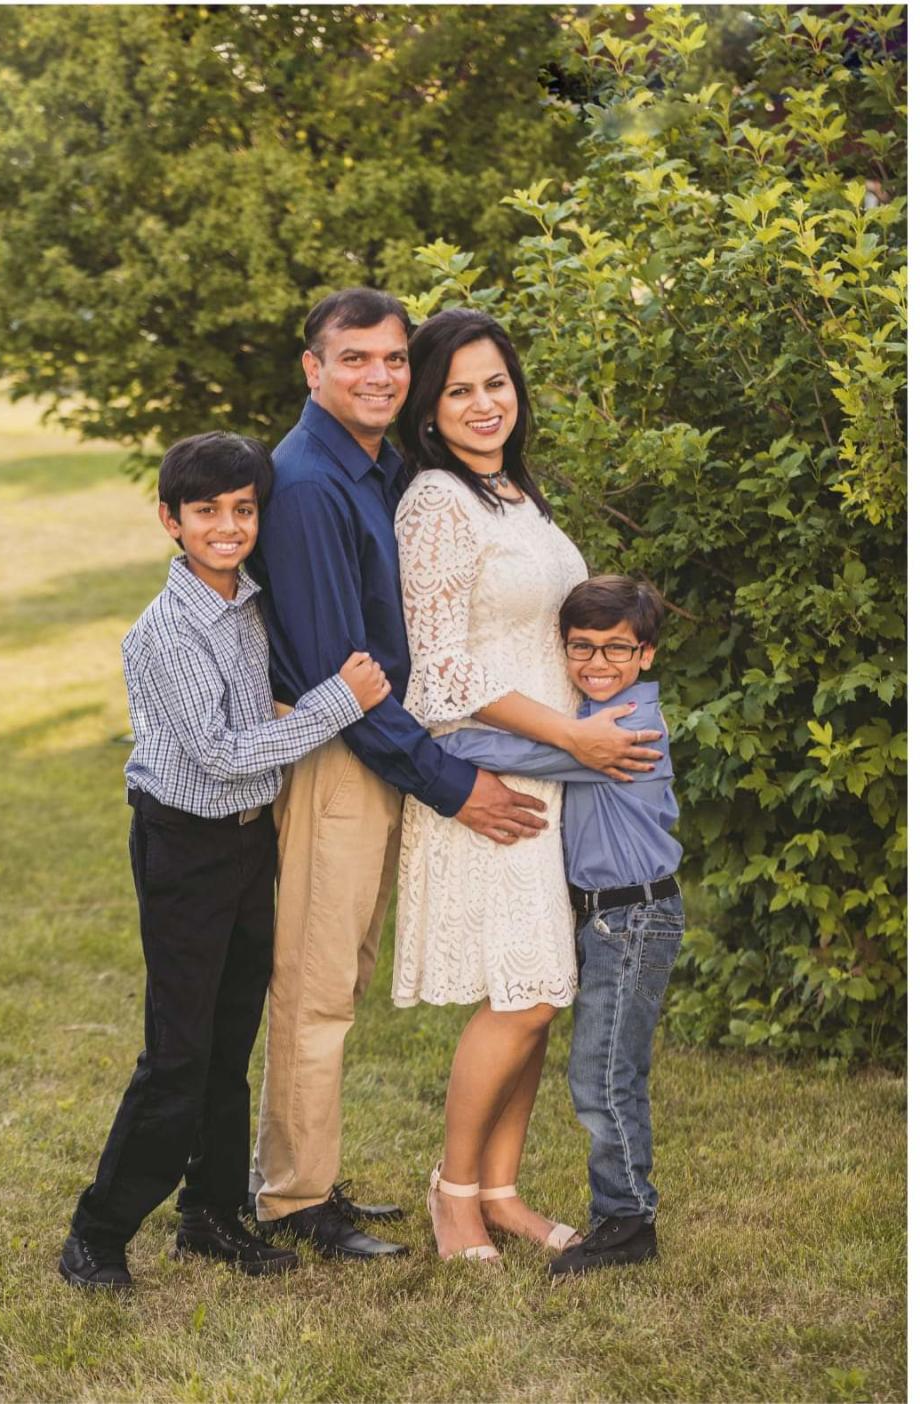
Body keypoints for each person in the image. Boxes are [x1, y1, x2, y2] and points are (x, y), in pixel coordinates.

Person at [246, 289, 659, 1261]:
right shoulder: (316, 481)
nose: (381, 376)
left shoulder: (390, 468)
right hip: (373, 754)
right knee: (330, 982)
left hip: (481, 759)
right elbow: (385, 663)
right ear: (314, 368)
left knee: (518, 985)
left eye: (395, 359)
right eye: (359, 360)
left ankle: (476, 1189)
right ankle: (315, 1199)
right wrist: (456, 779)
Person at [59, 431, 390, 1290]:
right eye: (207, 512)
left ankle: (210, 1215)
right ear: (171, 520)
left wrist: (290, 709)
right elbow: (222, 754)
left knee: (230, 1039)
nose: (229, 526)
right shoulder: (163, 632)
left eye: (244, 510)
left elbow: (254, 724)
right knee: (178, 1052)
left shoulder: (247, 599)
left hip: (249, 842)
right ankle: (98, 1231)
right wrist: (333, 704)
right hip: (186, 847)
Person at [392, 309, 664, 1263]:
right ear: (428, 407)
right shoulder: (434, 502)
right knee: (526, 991)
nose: (483, 403)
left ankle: (501, 1190)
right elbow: (437, 673)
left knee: (541, 989)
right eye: (459, 388)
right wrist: (569, 734)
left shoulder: (514, 494)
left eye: (496, 382)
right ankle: (453, 1192)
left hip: (559, 774)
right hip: (498, 771)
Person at [434, 575, 683, 1277]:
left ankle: (626, 1222)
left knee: (606, 1077)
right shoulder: (588, 716)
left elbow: (505, 753)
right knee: (600, 1071)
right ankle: (619, 1213)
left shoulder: (628, 729)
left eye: (617, 650)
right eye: (582, 648)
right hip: (612, 916)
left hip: (635, 916)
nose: (597, 664)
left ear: (647, 655)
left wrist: (443, 741)